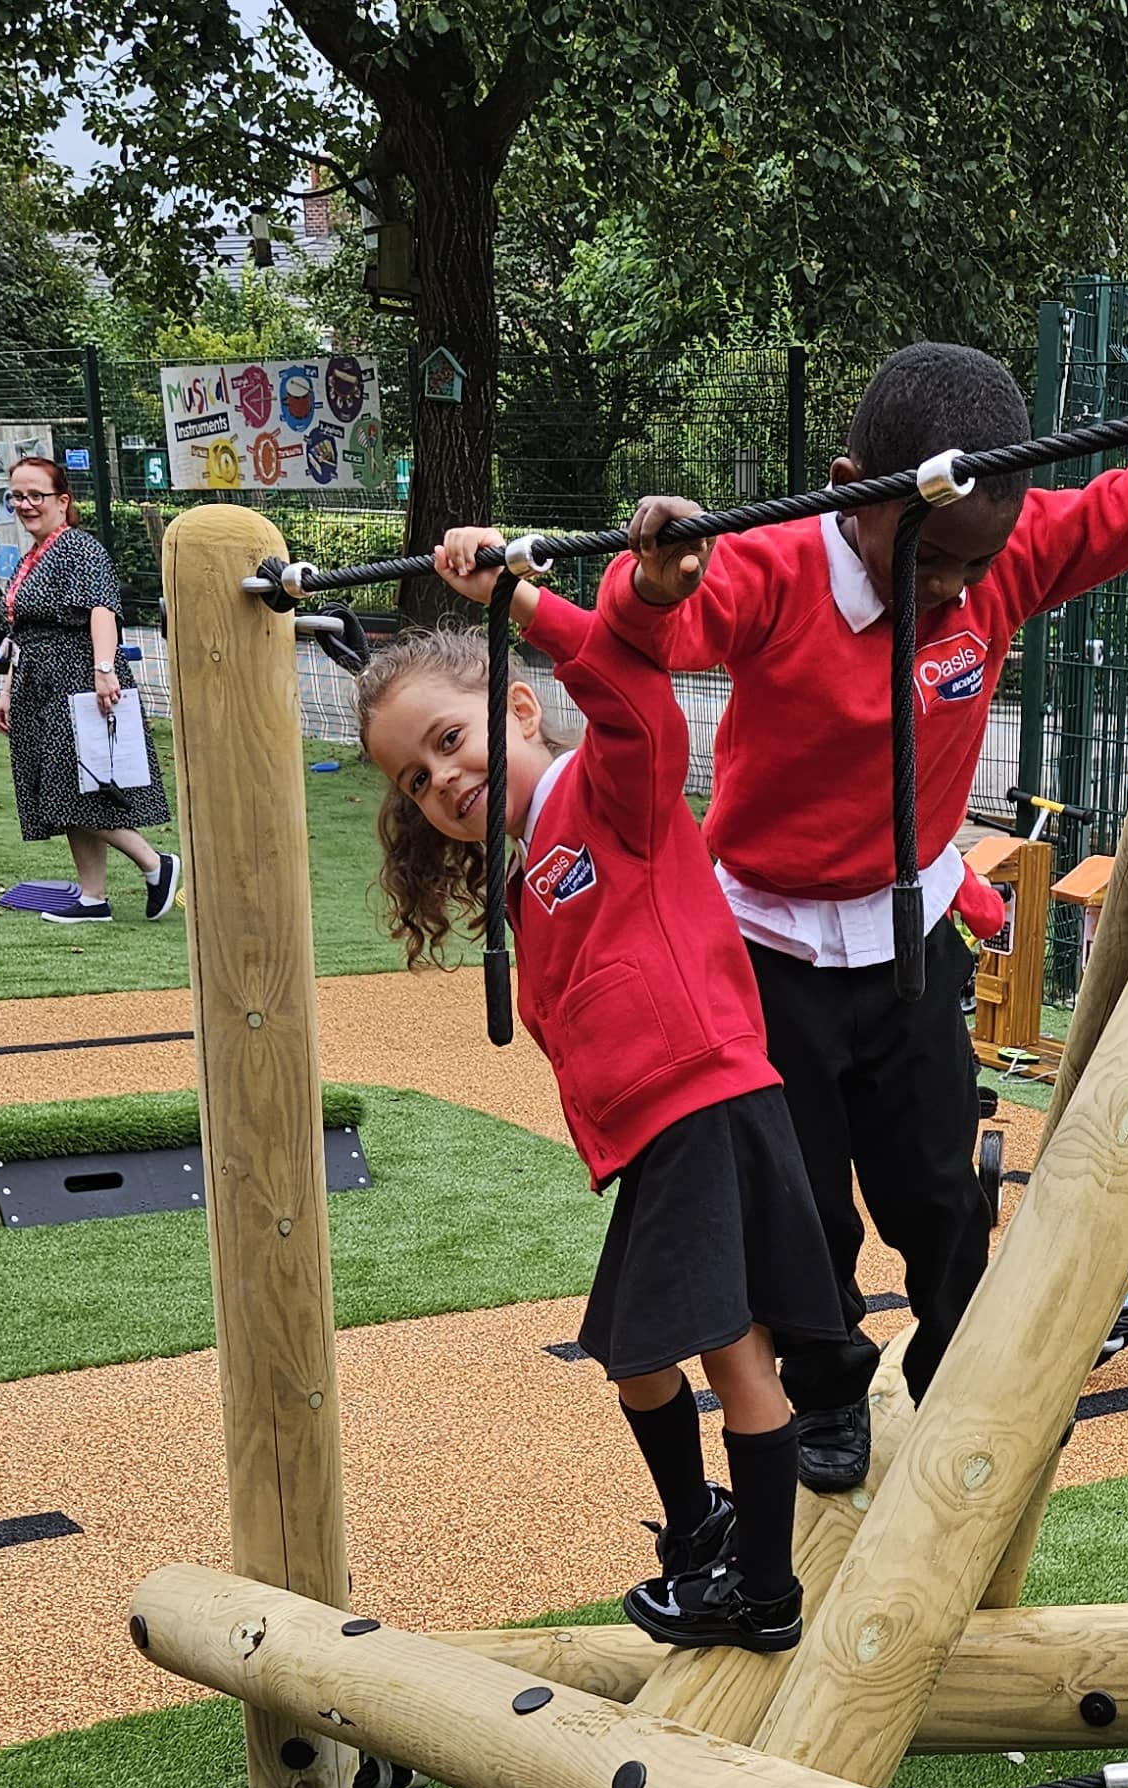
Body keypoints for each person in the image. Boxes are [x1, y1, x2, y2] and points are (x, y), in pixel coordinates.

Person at [610, 345, 1128, 1492]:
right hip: (767, 947)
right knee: (800, 1200)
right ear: (851, 487)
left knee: (938, 1189)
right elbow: (657, 635)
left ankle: (961, 1371)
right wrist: (654, 579)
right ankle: (830, 1392)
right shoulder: (773, 570)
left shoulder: (993, 561)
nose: (950, 585)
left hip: (909, 937)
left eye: (973, 562)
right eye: (928, 558)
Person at [353, 522, 844, 1650]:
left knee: (721, 1353)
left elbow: (629, 683)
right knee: (636, 1354)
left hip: (703, 1102)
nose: (442, 780)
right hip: (664, 1130)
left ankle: (758, 1585)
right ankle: (702, 1534)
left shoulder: (606, 788)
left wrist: (521, 602)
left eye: (449, 739)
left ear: (518, 708)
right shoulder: (529, 868)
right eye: (416, 779)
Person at [0, 452, 175, 926]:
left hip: (77, 679)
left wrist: (103, 670)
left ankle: (156, 864)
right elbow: (22, 633)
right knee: (71, 788)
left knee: (75, 788)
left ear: (62, 499)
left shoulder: (77, 547)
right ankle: (93, 898)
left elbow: (101, 610)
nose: (26, 504)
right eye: (18, 495)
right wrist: (9, 690)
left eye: (37, 495)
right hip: (38, 682)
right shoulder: (32, 557)